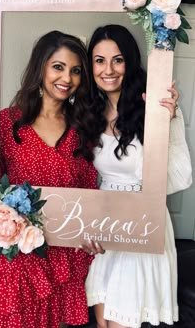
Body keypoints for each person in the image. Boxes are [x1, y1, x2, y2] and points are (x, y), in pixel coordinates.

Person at [0, 30, 101, 328]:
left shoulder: (83, 129)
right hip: (19, 258)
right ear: (40, 68)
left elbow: (90, 194)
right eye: (58, 66)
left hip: (64, 257)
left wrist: (95, 232)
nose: (67, 77)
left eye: (76, 70)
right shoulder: (5, 121)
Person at [85, 24, 193, 328]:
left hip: (142, 223)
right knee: (103, 322)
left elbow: (181, 177)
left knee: (123, 321)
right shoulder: (86, 111)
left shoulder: (155, 107)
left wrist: (168, 123)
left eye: (117, 60)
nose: (108, 69)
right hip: (104, 226)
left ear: (130, 62)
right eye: (99, 60)